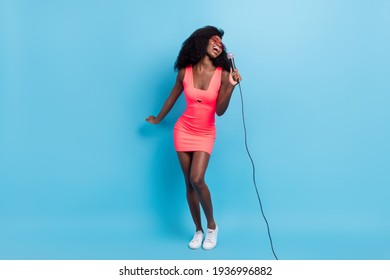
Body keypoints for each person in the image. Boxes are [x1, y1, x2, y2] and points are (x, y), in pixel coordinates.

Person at [146, 26, 241, 250]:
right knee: (188, 183)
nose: (219, 45)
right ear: (201, 42)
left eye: (222, 43)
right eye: (215, 40)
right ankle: (197, 230)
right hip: (183, 130)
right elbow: (172, 97)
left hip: (205, 132)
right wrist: (159, 118)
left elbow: (219, 111)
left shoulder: (224, 75)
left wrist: (231, 88)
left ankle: (211, 227)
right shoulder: (185, 71)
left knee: (197, 179)